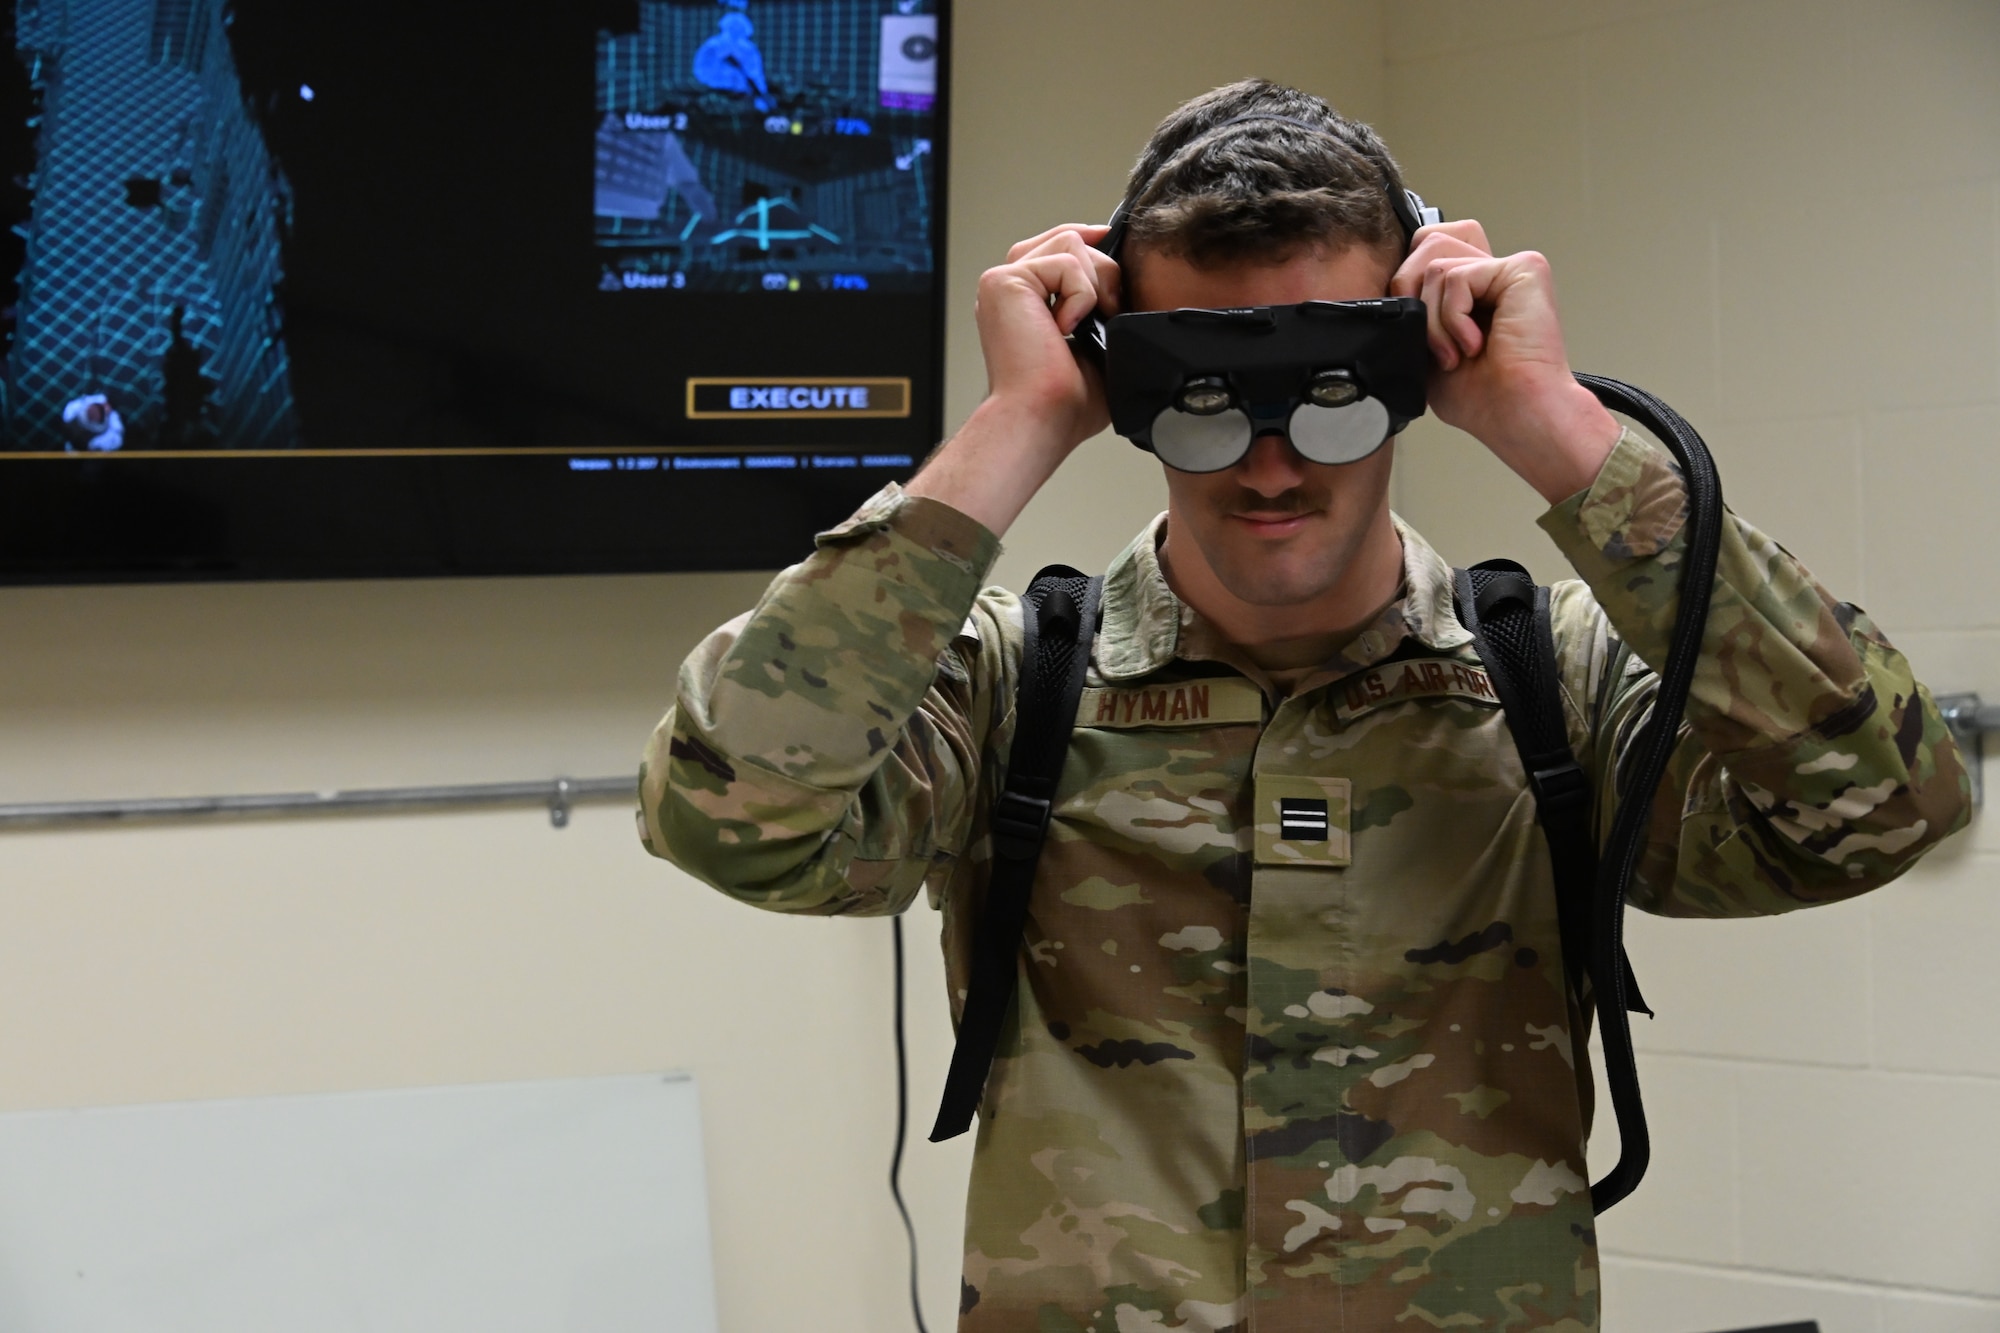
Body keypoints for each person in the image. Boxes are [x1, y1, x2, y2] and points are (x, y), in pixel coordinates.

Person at [639, 80, 1969, 1331]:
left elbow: (1885, 804)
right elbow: (725, 811)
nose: (1271, 459)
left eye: (1333, 386)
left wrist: (1557, 429)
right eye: (1204, 393)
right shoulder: (1013, 692)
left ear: (1412, 358)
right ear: (1126, 377)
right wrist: (1016, 426)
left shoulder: (1549, 684)